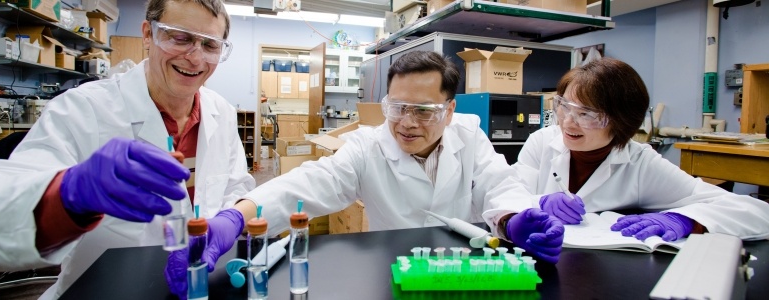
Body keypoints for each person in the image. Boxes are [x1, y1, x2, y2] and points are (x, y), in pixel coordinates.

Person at [0, 0, 256, 298]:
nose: (195, 58)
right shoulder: (81, 109)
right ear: (148, 34)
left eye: (210, 45)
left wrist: (230, 218)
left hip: (198, 285)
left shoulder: (221, 111)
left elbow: (235, 186)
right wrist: (67, 195)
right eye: (180, 37)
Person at [220, 50, 564, 265]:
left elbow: (498, 184)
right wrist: (238, 215)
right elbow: (307, 184)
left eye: (424, 111)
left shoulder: (469, 135)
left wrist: (513, 218)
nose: (407, 123)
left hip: (462, 269)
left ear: (449, 111)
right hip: (394, 270)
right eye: (397, 108)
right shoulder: (366, 147)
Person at [484, 57, 769, 249]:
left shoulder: (641, 163)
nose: (569, 122)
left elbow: (757, 213)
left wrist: (684, 220)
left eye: (587, 114)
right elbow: (507, 194)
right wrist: (538, 202)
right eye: (564, 106)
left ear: (623, 120)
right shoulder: (542, 142)